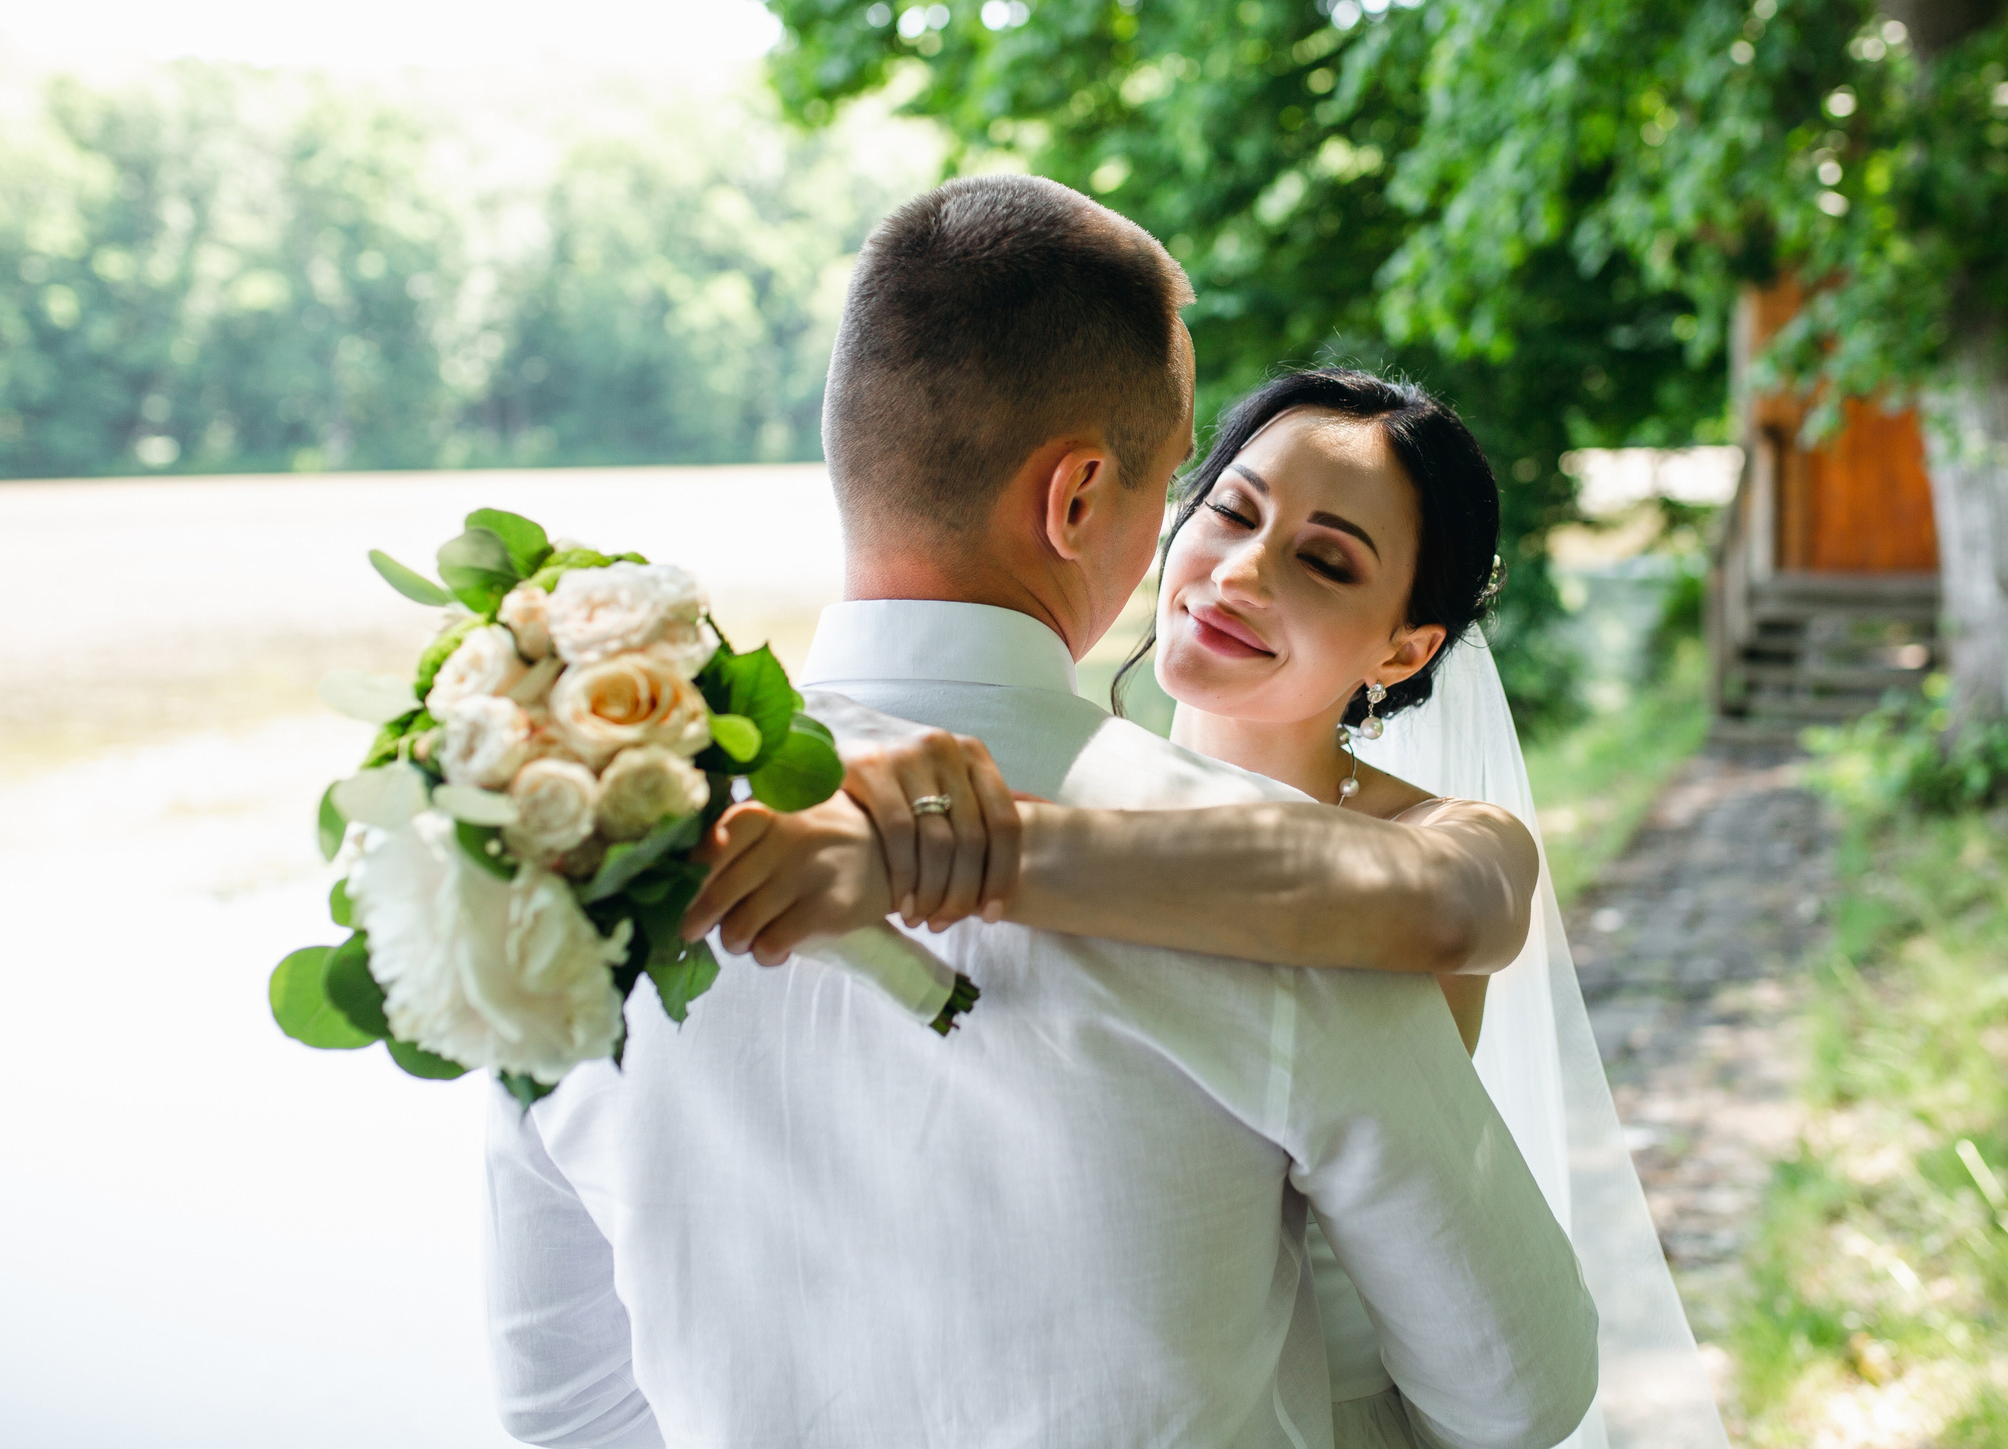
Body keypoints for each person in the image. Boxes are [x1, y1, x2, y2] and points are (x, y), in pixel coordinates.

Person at [483, 174, 1600, 1449]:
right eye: (1206, 492)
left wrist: (972, 853)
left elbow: (562, 1409)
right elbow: (1519, 1388)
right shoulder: (1282, 914)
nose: (1231, 568)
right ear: (1078, 500)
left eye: (1324, 555)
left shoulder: (583, 842)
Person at [695, 370, 1732, 1449]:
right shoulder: (1067, 767)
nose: (1239, 573)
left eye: (1325, 562)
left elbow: (1438, 907)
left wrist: (947, 856)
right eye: (1231, 511)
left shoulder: (1449, 840)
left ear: (1403, 649)